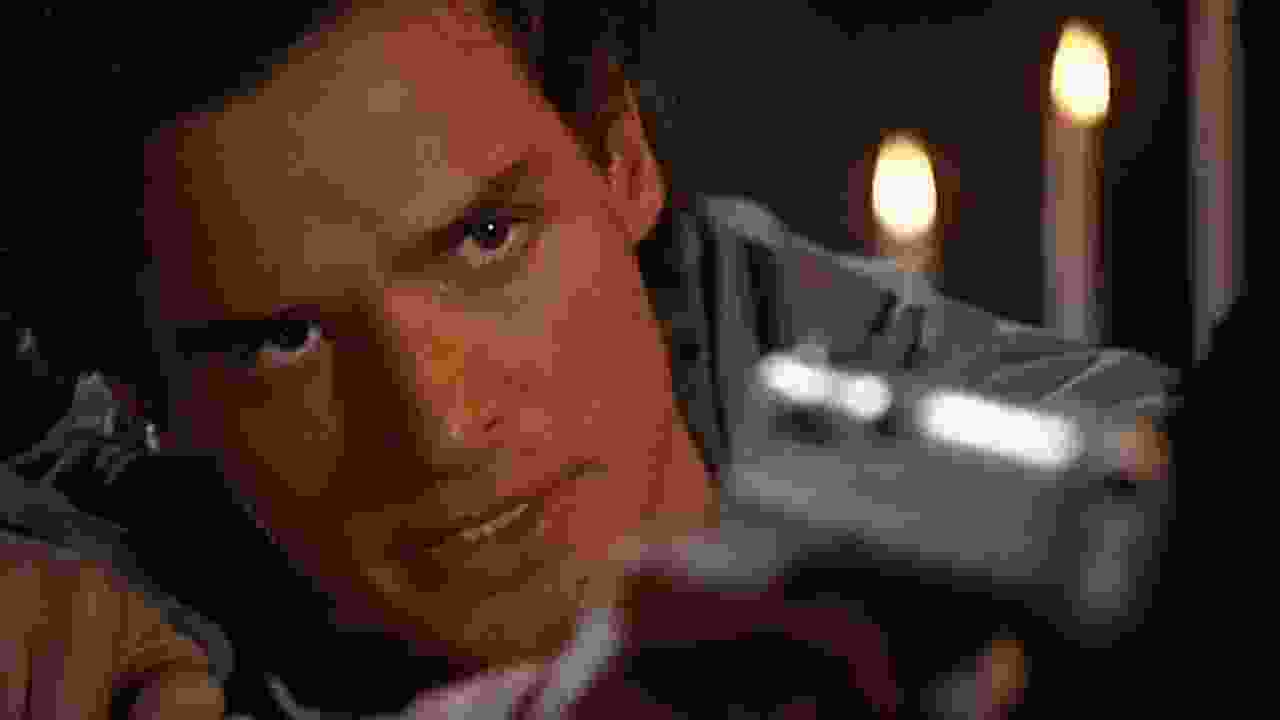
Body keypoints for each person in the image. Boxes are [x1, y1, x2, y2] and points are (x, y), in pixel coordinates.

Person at [3, 1, 1177, 717]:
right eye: (282, 340)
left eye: (484, 239)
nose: (439, 424)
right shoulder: (95, 602)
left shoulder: (935, 415)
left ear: (622, 160)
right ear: (143, 394)